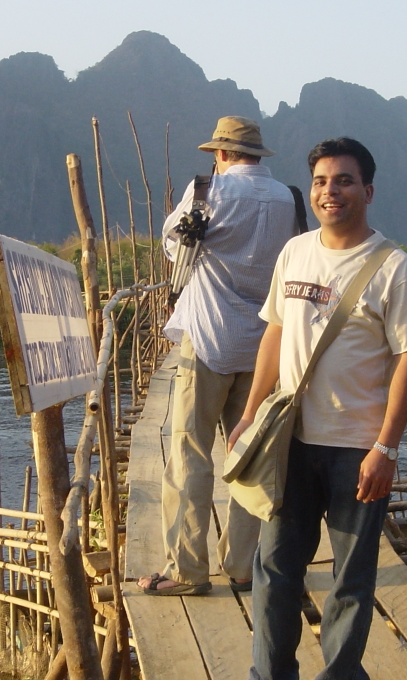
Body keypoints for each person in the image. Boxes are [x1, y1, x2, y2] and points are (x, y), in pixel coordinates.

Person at [229, 138, 407, 679]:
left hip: (356, 450)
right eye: (320, 181)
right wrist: (250, 414)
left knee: (350, 580)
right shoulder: (296, 252)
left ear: (367, 191)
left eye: (342, 180)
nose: (329, 190)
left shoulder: (394, 268)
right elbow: (274, 332)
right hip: (289, 442)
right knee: (274, 568)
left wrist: (386, 447)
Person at [138, 116, 300, 596]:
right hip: (264, 345)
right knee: (250, 452)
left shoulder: (207, 190)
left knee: (189, 454)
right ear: (257, 154)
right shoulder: (289, 198)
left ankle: (187, 571)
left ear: (223, 153)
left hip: (207, 340)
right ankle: (243, 566)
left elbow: (174, 246)